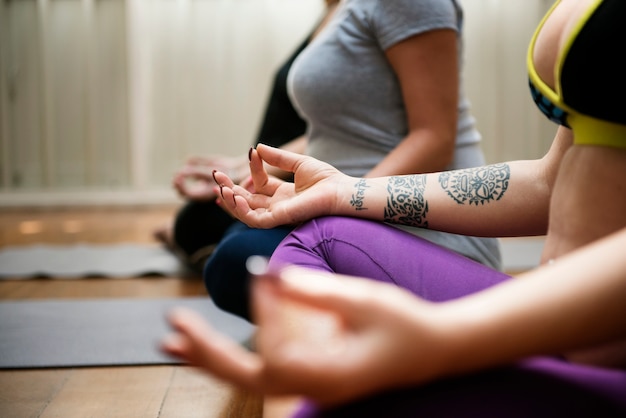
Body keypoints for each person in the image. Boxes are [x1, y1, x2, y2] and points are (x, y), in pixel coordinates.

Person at [162, 0, 626, 416]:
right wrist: (344, 193)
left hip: (598, 364)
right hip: (556, 329)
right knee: (313, 242)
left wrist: (443, 337)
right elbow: (550, 182)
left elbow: (435, 134)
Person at [204, 0, 501, 321]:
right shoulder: (342, 7)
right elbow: (336, 131)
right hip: (351, 202)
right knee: (229, 234)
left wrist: (342, 198)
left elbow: (434, 139)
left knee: (238, 260)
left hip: (424, 228)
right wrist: (243, 169)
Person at [154, 1, 338, 273]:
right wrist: (237, 168)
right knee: (195, 221)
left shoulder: (367, 13)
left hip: (306, 177)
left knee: (206, 234)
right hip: (283, 173)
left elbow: (338, 133)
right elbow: (322, 132)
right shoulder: (335, 11)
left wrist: (248, 175)